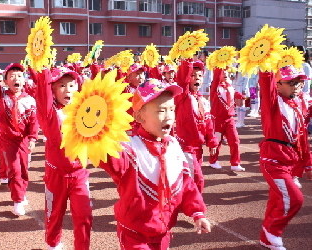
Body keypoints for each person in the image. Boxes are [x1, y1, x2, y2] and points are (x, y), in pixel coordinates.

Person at [100, 78, 211, 249]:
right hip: (134, 234)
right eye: (161, 110)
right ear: (139, 116)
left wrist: (197, 213)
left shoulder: (173, 145)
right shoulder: (129, 148)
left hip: (163, 232)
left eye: (172, 109)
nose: (168, 116)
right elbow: (110, 159)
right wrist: (97, 131)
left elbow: (187, 184)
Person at [35, 67, 92, 250]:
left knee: (84, 216)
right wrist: (43, 70)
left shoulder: (86, 113)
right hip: (55, 175)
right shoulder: (50, 114)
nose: (68, 89)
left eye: (71, 85)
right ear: (52, 90)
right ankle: (53, 244)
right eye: (61, 85)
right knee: (54, 214)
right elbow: (43, 96)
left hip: (79, 174)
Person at [258, 65, 312, 250]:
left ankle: (266, 236)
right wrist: (265, 61)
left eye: (299, 82)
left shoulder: (297, 106)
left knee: (276, 200)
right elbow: (265, 83)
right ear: (278, 85)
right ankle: (272, 232)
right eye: (291, 82)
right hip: (273, 161)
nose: (296, 86)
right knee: (295, 198)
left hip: (289, 162)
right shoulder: (272, 103)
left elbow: (302, 140)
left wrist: (307, 164)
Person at [0, 56, 38, 216]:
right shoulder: (2, 96)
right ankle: (18, 200)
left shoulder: (30, 100)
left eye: (19, 76)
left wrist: (33, 138)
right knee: (15, 170)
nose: (16, 79)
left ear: (24, 80)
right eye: (12, 76)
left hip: (24, 140)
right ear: (6, 81)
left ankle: (22, 192)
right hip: (7, 140)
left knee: (24, 169)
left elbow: (34, 122)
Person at [175, 60, 218, 192]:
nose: (196, 78)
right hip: (186, 146)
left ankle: (183, 201)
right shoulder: (183, 96)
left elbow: (209, 123)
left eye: (199, 76)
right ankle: (196, 207)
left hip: (198, 147)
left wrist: (212, 142)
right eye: (193, 75)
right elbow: (182, 80)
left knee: (191, 177)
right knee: (197, 179)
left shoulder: (203, 100)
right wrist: (187, 59)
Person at [209, 68, 245, 171]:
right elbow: (216, 78)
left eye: (226, 72)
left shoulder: (229, 85)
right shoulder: (214, 87)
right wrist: (219, 65)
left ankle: (235, 163)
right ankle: (213, 161)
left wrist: (242, 96)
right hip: (218, 119)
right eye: (222, 72)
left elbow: (233, 94)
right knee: (216, 142)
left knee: (235, 141)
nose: (225, 74)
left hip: (229, 119)